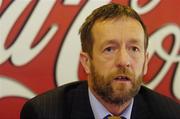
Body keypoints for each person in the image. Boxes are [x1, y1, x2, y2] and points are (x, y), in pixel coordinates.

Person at [21, 3, 180, 119]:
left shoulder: (170, 114)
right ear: (86, 62)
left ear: (145, 62)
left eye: (134, 49)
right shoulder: (44, 113)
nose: (124, 61)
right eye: (110, 49)